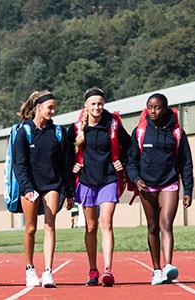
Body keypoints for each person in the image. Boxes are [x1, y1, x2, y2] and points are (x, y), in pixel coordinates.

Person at [127, 93, 193, 285]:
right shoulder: (139, 131)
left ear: (165, 108)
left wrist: (188, 189)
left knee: (166, 224)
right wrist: (136, 179)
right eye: (150, 107)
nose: (153, 111)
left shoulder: (177, 132)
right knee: (153, 227)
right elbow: (132, 161)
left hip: (169, 183)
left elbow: (186, 162)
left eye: (157, 107)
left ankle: (168, 266)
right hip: (146, 185)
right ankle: (156, 269)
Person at [69, 88, 132, 287]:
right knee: (91, 226)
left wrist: (121, 160)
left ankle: (108, 269)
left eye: (100, 103)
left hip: (109, 179)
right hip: (86, 180)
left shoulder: (113, 124)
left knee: (106, 222)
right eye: (93, 104)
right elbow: (66, 153)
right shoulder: (77, 128)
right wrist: (73, 164)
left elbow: (130, 146)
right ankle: (92, 270)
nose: (97, 107)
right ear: (86, 105)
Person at [13, 90, 74, 288]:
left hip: (52, 184)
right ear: (38, 107)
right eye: (50, 107)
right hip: (30, 186)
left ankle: (48, 271)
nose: (53, 111)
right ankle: (30, 269)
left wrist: (70, 192)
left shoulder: (58, 133)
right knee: (30, 228)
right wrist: (27, 187)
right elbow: (19, 164)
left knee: (50, 224)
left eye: (54, 107)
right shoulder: (24, 132)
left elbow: (66, 165)